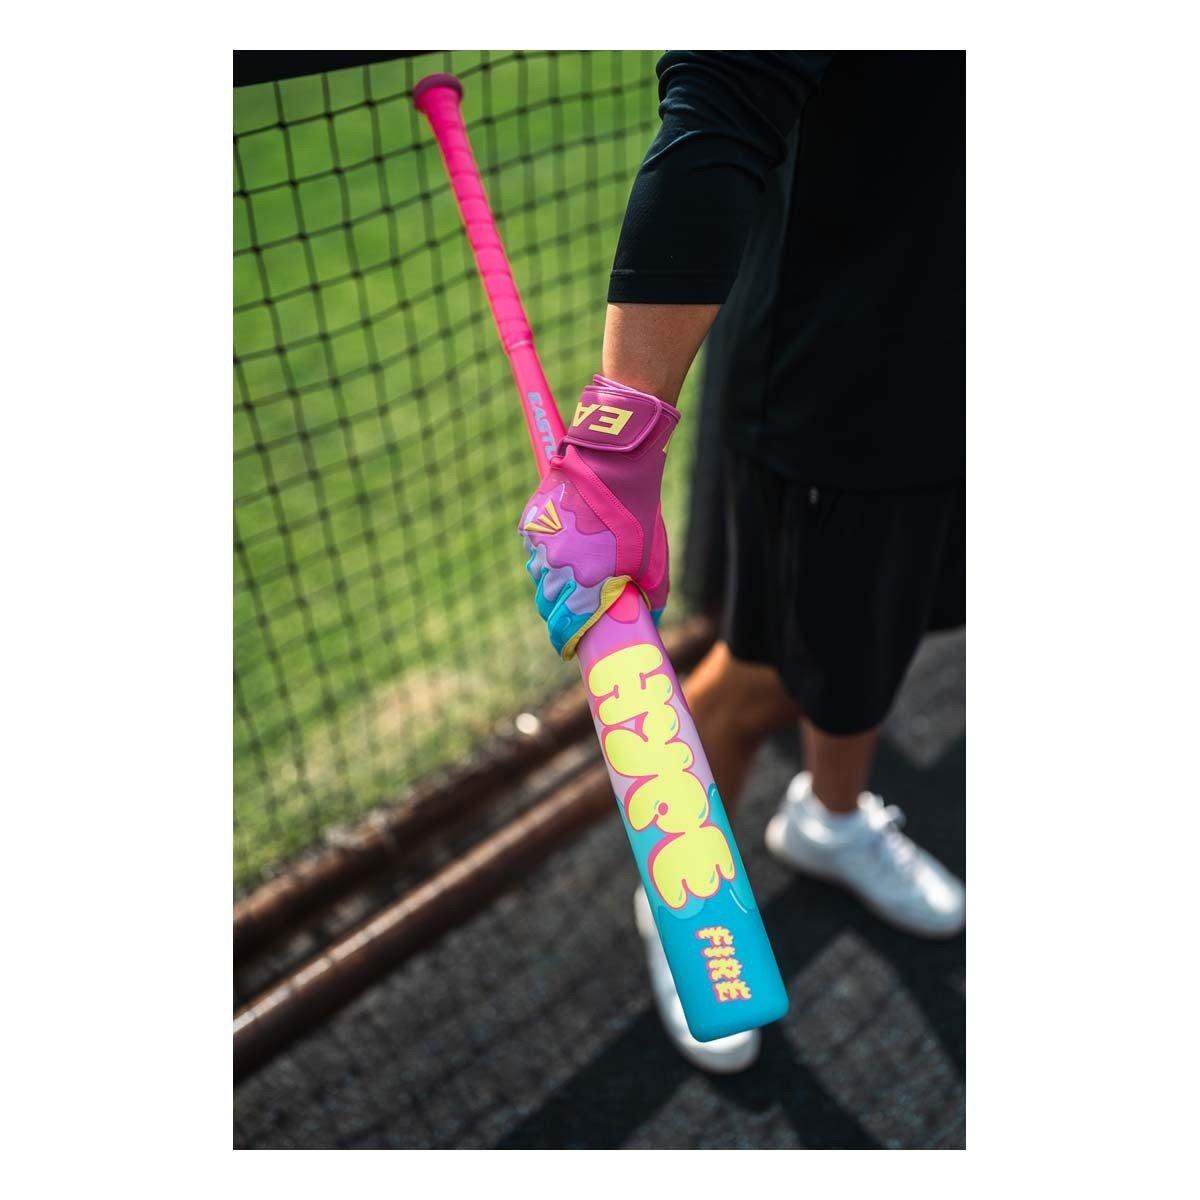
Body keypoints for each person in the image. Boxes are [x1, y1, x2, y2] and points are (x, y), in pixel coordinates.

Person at [518, 51, 965, 1073]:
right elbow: (723, 94)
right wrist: (614, 449)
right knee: (766, 669)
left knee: (874, 645)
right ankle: (686, 895)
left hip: (955, 375)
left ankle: (829, 819)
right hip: (841, 379)